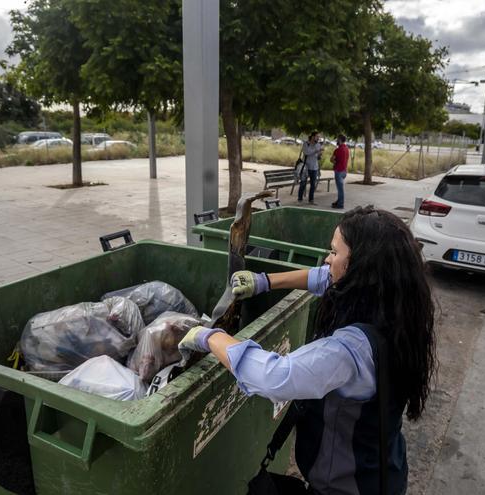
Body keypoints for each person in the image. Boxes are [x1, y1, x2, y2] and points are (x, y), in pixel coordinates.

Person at [179, 206, 436, 495]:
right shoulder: (394, 306)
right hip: (384, 468)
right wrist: (264, 281)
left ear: (361, 267)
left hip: (349, 487)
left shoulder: (349, 351)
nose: (327, 259)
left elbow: (275, 376)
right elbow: (323, 276)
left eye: (334, 253)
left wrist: (209, 337)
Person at [298, 132, 323, 204]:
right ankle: (300, 199)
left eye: (319, 137)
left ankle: (311, 200)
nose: (318, 138)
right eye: (317, 136)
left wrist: (319, 155)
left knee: (313, 185)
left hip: (315, 167)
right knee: (303, 183)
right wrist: (316, 151)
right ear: (312, 136)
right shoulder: (306, 144)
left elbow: (317, 157)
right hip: (306, 167)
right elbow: (306, 153)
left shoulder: (318, 145)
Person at [330, 135, 349, 209]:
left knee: (340, 189)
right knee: (340, 188)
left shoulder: (337, 150)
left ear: (340, 140)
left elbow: (331, 159)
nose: (336, 141)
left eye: (337, 139)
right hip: (344, 171)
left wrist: (335, 162)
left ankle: (340, 204)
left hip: (338, 171)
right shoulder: (347, 149)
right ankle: (338, 201)